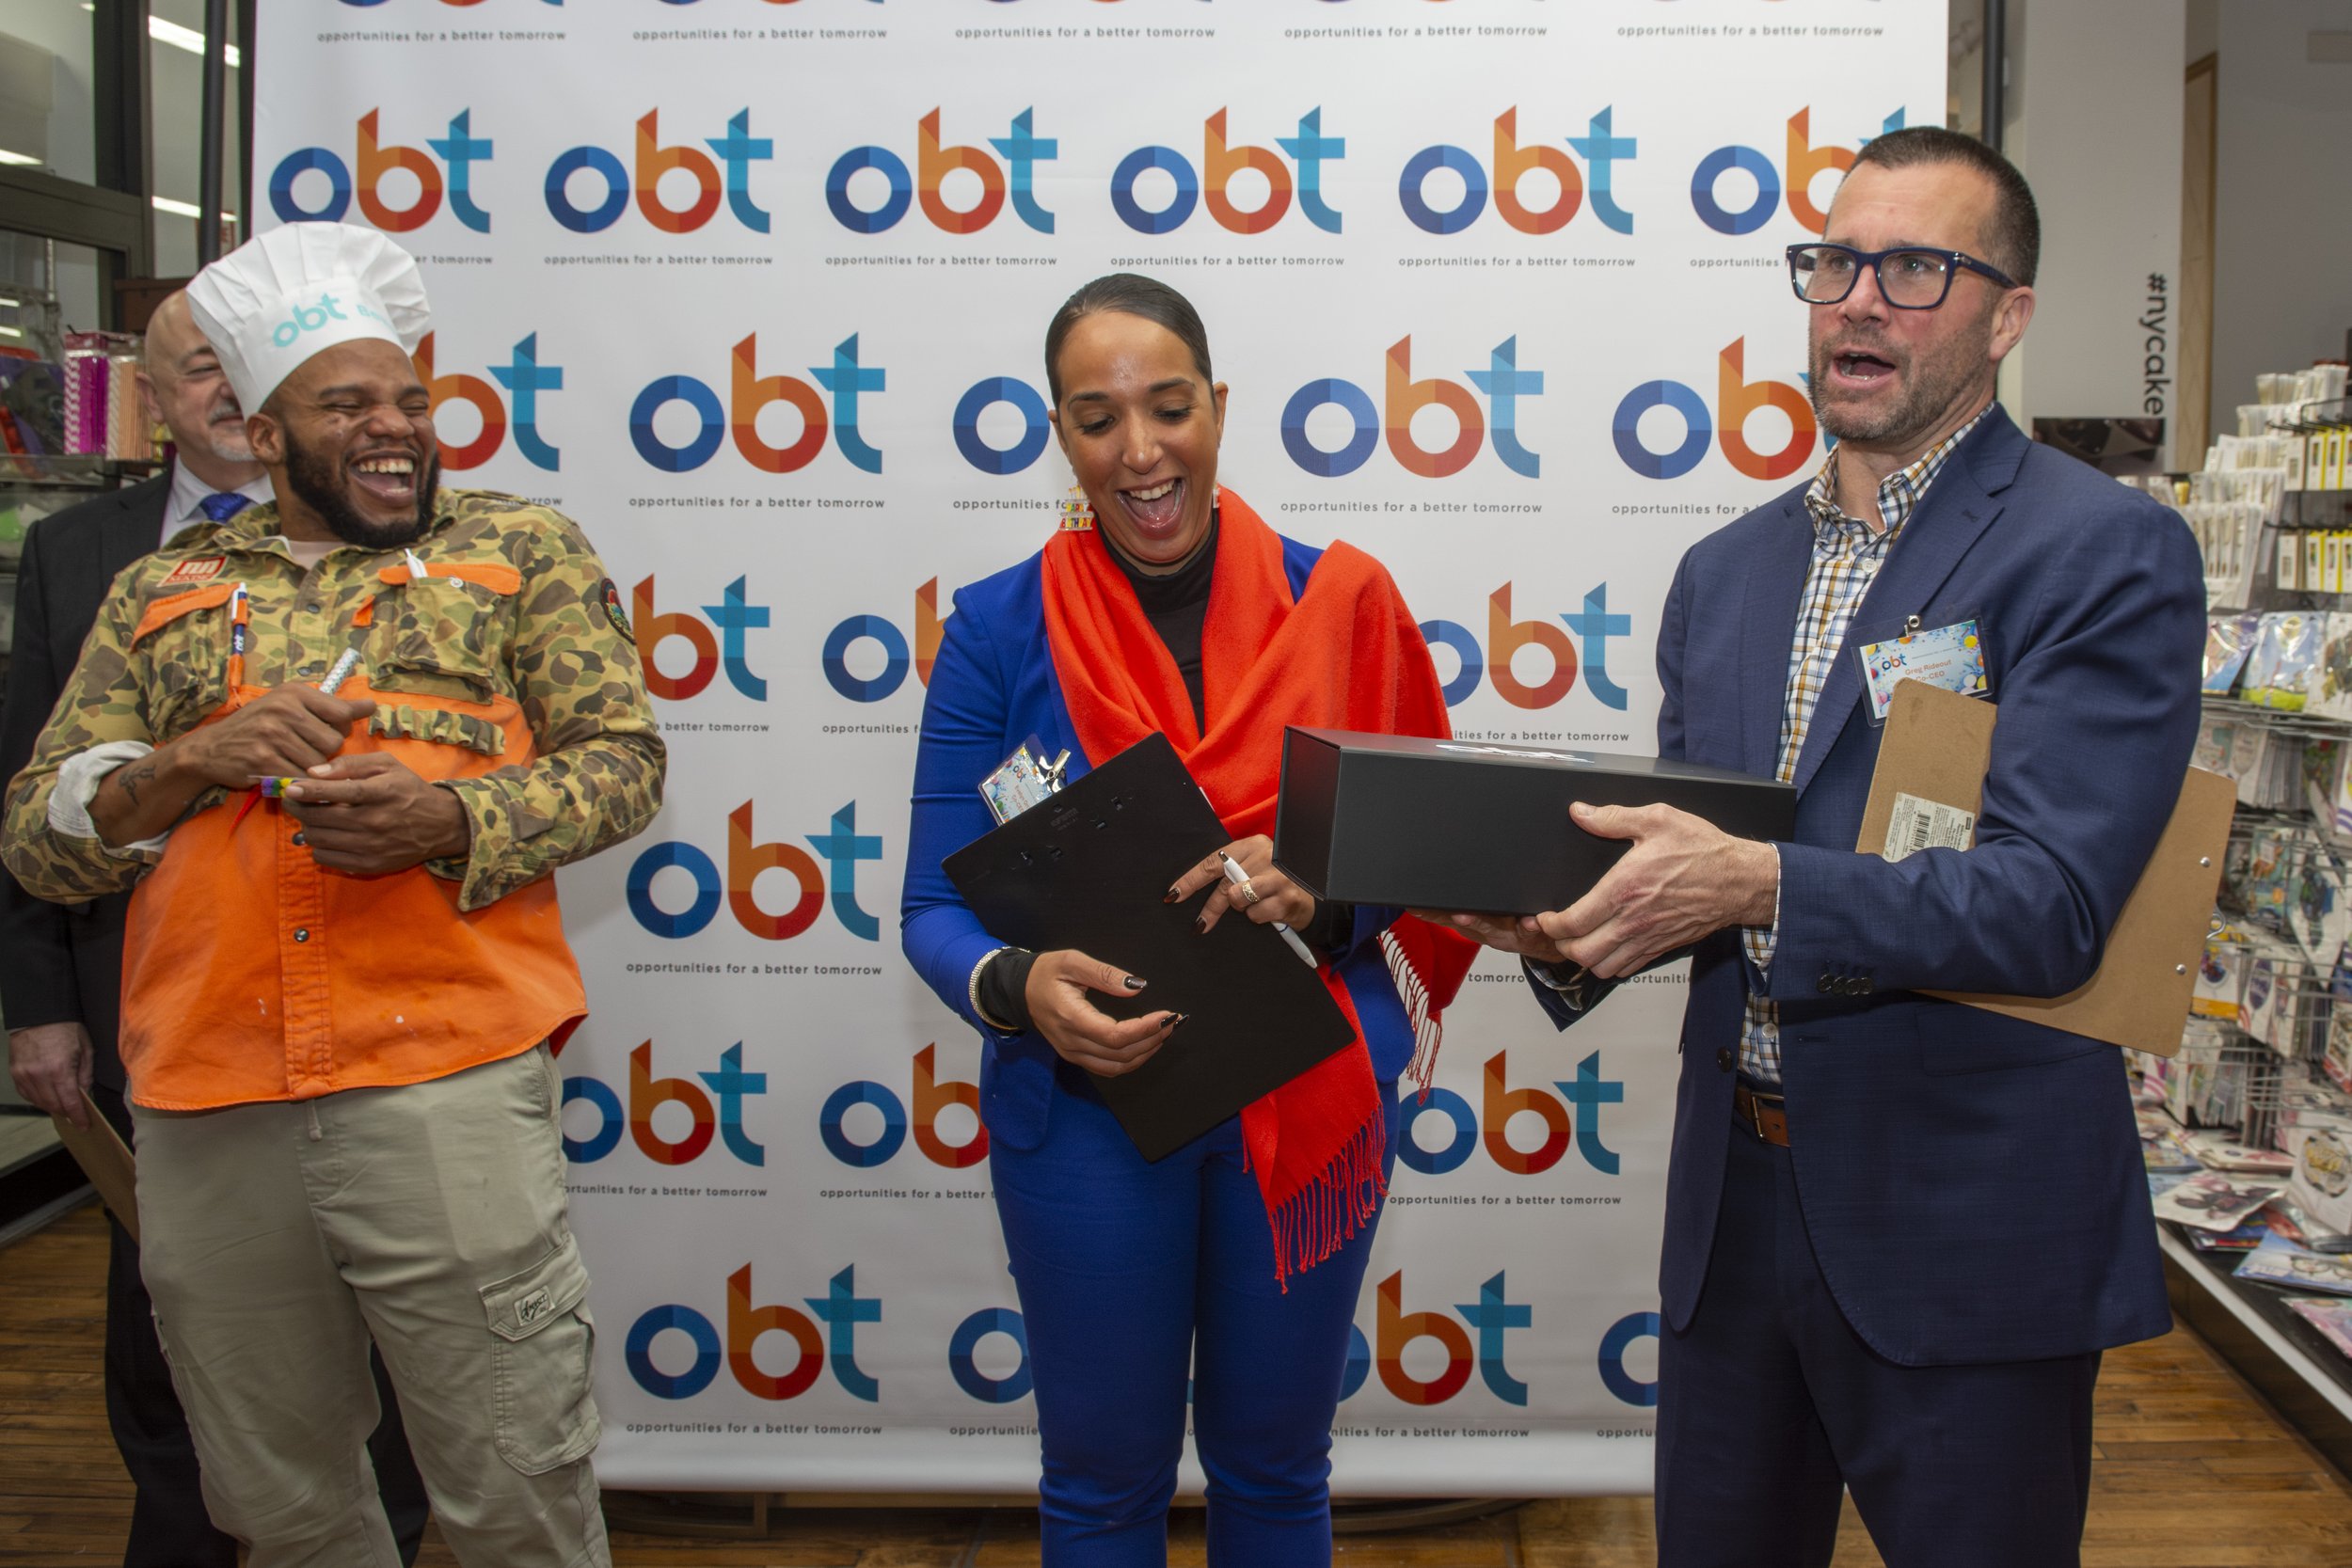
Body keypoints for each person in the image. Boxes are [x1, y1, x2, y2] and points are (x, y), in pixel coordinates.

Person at [1442, 128, 2203, 1566]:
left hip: (1970, 1228)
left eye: (1916, 268)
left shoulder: (2099, 551)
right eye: (1836, 262)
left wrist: (1759, 883)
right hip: (1737, 1220)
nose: (1859, 299)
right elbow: (1698, 875)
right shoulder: (1724, 577)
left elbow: (2050, 905)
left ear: (2008, 317)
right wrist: (1577, 926)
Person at [1, 222, 664, 1567]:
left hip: (445, 1086)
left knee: (516, 1493)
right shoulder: (161, 588)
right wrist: (188, 762)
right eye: (347, 405)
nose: (395, 428)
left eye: (411, 400)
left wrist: (451, 817)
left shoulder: (516, 551)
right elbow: (37, 838)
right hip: (208, 1102)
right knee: (282, 1506)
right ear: (257, 429)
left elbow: (626, 767)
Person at [901, 273, 1475, 1568]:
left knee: (1276, 1472)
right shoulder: (1000, 628)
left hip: (1311, 1090)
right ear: (1060, 433)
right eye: (1098, 419)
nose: (1141, 450)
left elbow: (1440, 873)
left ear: (1220, 408)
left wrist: (1325, 898)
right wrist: (1016, 984)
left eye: (1170, 408)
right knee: (1102, 1482)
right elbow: (934, 904)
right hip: (1089, 1113)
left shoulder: (1349, 603)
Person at [0, 289, 431, 1567]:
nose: (224, 391)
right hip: (160, 1013)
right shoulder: (87, 557)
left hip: (384, 1005)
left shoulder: (415, 537)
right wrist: (38, 1005)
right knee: (177, 1327)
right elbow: (28, 784)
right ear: (172, 397)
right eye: (200, 371)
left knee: (399, 1334)